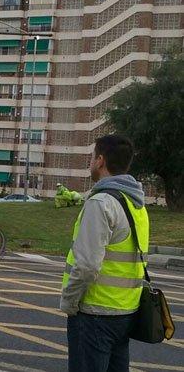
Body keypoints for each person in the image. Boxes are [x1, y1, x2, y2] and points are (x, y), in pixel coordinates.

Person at [60, 135, 149, 372]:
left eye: (92, 157)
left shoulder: (101, 203)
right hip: (125, 313)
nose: (90, 162)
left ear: (100, 161)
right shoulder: (136, 204)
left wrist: (69, 301)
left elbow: (87, 265)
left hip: (95, 313)